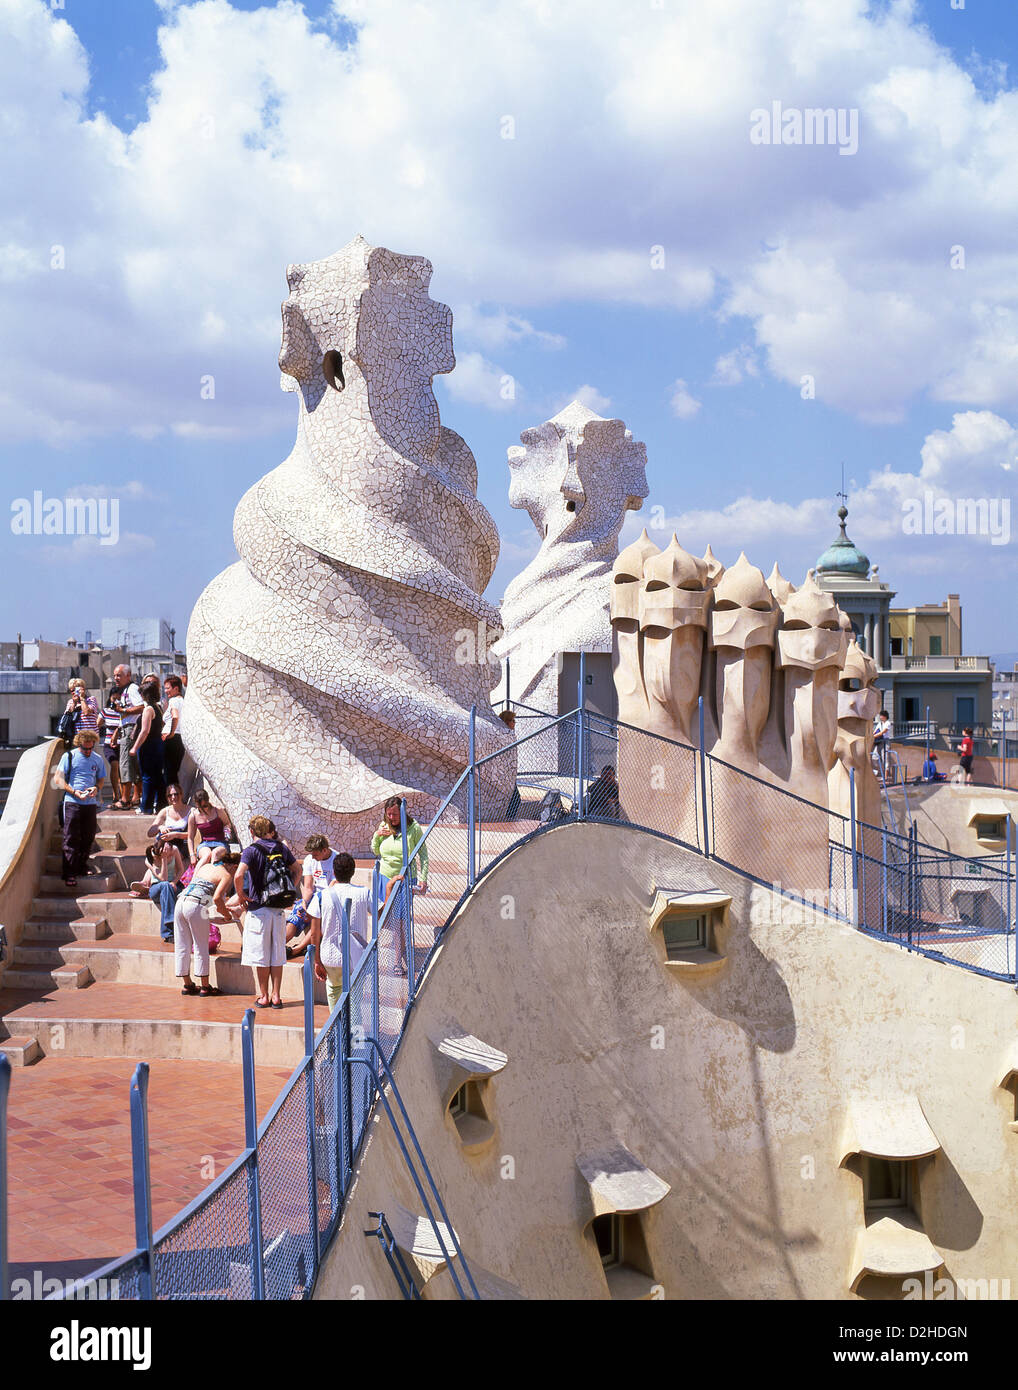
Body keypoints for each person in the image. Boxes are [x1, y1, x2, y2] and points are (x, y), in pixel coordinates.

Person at [235, 816, 301, 1009]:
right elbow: (297, 869)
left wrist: (240, 895)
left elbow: (239, 874)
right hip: (278, 910)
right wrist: (287, 889)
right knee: (277, 954)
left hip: (259, 909)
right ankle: (276, 996)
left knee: (261, 955)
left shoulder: (251, 851)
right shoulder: (281, 847)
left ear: (252, 832)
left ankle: (264, 997)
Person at [371, 796, 428, 978]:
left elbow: (423, 854)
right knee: (385, 916)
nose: (391, 818)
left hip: (404, 879)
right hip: (384, 876)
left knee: (399, 921)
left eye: (395, 814)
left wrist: (423, 878)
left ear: (402, 813)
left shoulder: (413, 829)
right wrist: (377, 835)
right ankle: (391, 948)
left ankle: (396, 961)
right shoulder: (384, 826)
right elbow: (375, 850)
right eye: (388, 814)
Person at [174, 848, 242, 997]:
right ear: (235, 866)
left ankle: (187, 984)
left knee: (182, 944)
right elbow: (217, 899)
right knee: (200, 946)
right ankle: (205, 987)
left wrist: (223, 912)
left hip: (180, 903)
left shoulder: (206, 866)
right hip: (195, 905)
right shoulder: (226, 875)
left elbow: (202, 894)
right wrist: (227, 916)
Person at [309, 852, 370, 1010]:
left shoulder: (321, 896)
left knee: (334, 992)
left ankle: (338, 1031)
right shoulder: (364, 893)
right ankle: (353, 1031)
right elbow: (383, 911)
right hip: (355, 957)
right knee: (355, 999)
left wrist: (316, 961)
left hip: (330, 957)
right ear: (353, 872)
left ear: (334, 872)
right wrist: (390, 887)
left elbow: (314, 933)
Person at [55, 730, 106, 888]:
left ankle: (82, 866)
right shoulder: (69, 757)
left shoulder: (97, 759)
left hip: (90, 803)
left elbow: (101, 779)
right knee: (70, 837)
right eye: (85, 749)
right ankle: (69, 872)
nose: (88, 751)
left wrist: (96, 788)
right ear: (79, 745)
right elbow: (57, 779)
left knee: (88, 836)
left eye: (91, 748)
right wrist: (73, 791)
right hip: (72, 802)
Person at [287, 834, 337, 958]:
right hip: (315, 896)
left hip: (331, 897)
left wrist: (314, 908)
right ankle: (275, 945)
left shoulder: (337, 859)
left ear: (324, 850)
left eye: (315, 854)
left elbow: (333, 886)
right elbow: (308, 886)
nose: (313, 858)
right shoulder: (310, 859)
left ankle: (297, 949)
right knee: (297, 913)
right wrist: (304, 903)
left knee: (319, 917)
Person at [130, 837, 184, 943]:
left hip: (173, 885)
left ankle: (169, 934)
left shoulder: (175, 850)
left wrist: (174, 881)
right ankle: (170, 927)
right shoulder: (150, 859)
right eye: (165, 850)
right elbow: (163, 878)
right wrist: (163, 859)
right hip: (156, 888)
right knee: (165, 885)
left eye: (169, 846)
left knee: (170, 890)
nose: (168, 849)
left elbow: (181, 869)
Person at [130, 681, 166, 816]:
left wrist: (134, 747)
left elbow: (144, 731)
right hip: (158, 745)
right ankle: (161, 805)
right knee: (158, 776)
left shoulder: (148, 709)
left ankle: (146, 807)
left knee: (147, 776)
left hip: (148, 745)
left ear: (146, 694)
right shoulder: (158, 708)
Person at [112, 665, 144, 809]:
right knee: (132, 764)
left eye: (119, 675)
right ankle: (136, 797)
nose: (116, 679)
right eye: (114, 676)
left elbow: (141, 706)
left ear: (128, 675)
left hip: (131, 729)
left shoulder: (132, 689)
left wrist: (124, 710)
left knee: (125, 764)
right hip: (127, 729)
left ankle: (125, 799)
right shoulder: (125, 690)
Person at [188, 790, 233, 868]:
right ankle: (195, 879)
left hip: (220, 842)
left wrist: (227, 834)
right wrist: (192, 855)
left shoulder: (217, 810)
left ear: (208, 801)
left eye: (205, 806)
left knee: (215, 854)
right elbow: (190, 837)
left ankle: (211, 875)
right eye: (200, 807)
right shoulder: (193, 816)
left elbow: (227, 824)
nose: (203, 810)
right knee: (206, 855)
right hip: (205, 843)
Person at [100, 684, 123, 806]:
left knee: (122, 770)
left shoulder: (123, 711)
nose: (116, 702)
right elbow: (97, 724)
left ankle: (122, 797)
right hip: (109, 744)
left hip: (122, 744)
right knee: (114, 765)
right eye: (114, 699)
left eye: (118, 699)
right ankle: (116, 794)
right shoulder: (105, 711)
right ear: (110, 698)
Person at [162, 676, 186, 786]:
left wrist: (170, 733)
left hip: (172, 739)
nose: (165, 691)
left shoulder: (174, 701)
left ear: (176, 688)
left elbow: (175, 716)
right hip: (179, 739)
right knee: (174, 771)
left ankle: (172, 798)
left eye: (168, 688)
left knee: (169, 772)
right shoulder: (183, 701)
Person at [872, 709, 891, 773]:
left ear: (884, 716)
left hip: (885, 741)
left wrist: (873, 737)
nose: (880, 717)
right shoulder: (879, 723)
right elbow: (875, 731)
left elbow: (883, 732)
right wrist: (872, 735)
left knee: (885, 758)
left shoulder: (888, 723)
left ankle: (885, 776)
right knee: (874, 757)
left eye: (881, 716)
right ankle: (877, 771)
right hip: (879, 741)